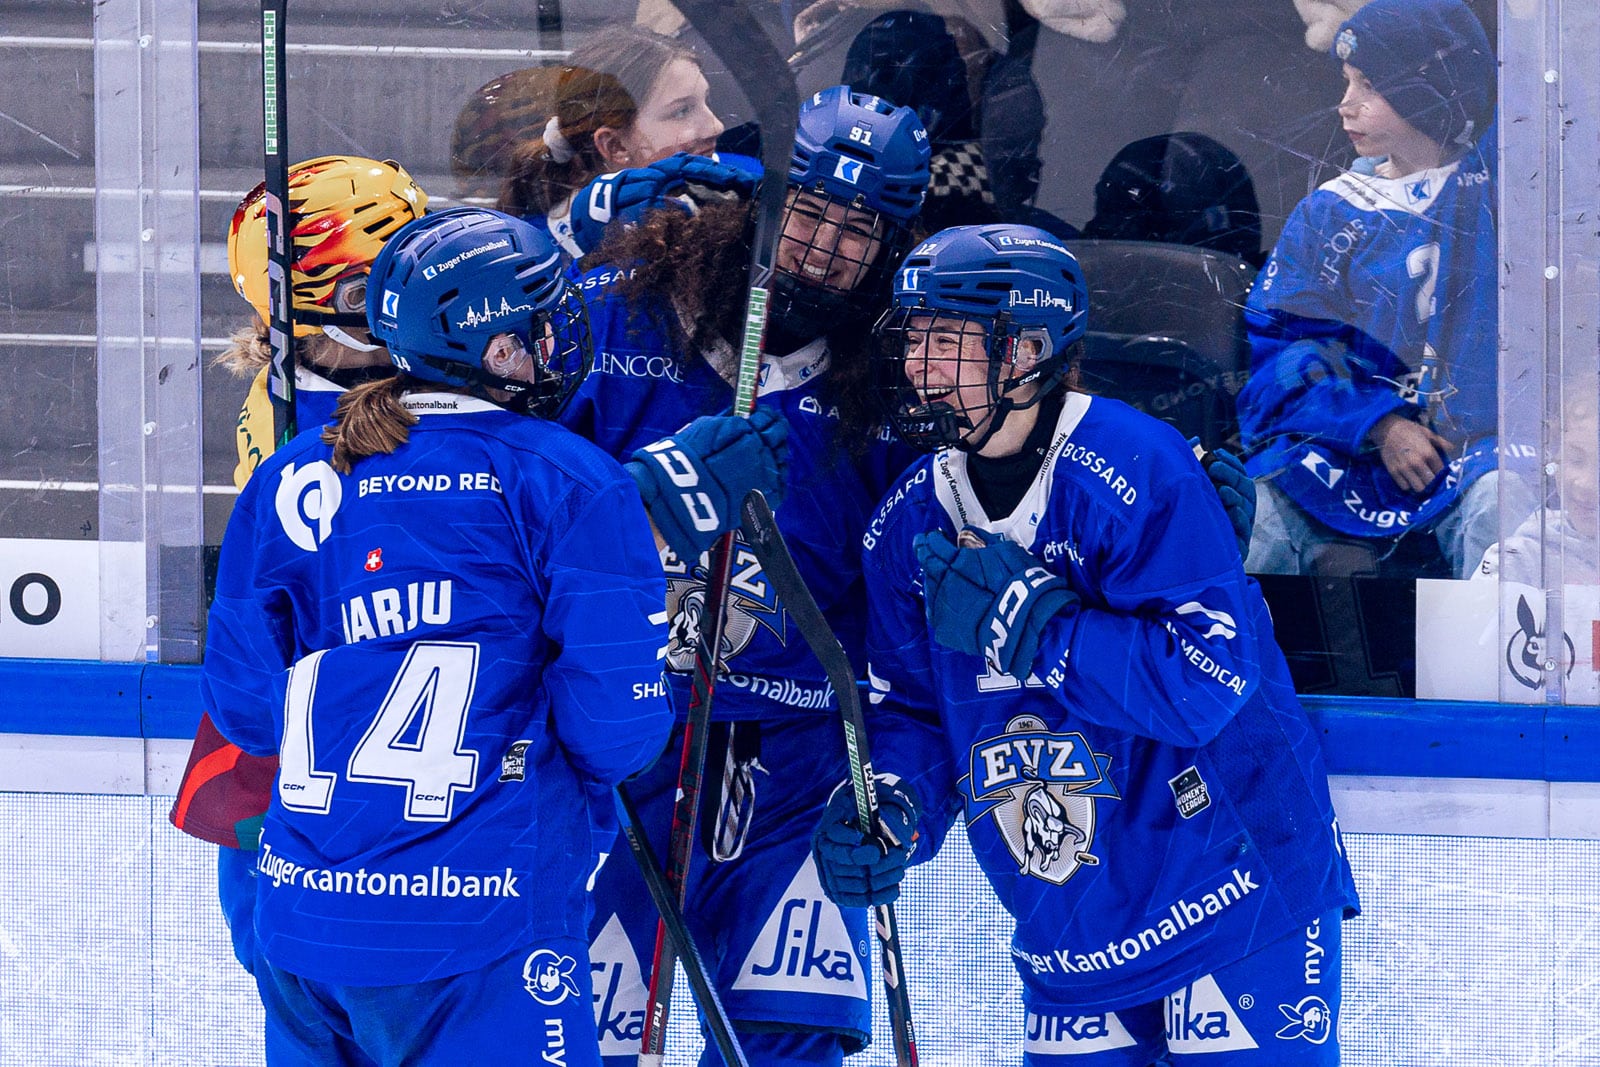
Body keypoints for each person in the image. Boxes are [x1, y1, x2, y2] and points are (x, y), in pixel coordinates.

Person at [813, 223, 1358, 1065]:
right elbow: (916, 715)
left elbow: (1207, 682)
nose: (918, 366)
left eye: (947, 340)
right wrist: (892, 803)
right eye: (914, 338)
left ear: (1026, 350)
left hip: (1235, 886)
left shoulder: (1140, 467)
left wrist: (1037, 626)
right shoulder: (907, 520)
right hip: (1073, 922)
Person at [199, 207, 675, 1065]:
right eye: (544, 322)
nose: (563, 340)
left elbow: (245, 710)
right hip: (484, 929)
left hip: (306, 924)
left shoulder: (291, 472)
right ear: (499, 349)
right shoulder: (567, 477)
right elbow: (618, 732)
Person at [570, 84, 933, 1067]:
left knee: (791, 1043)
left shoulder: (897, 391)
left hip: (794, 761)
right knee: (576, 1036)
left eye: (857, 230)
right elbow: (524, 503)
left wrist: (896, 789)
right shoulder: (624, 307)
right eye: (808, 210)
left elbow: (913, 631)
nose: (822, 247)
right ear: (764, 198)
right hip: (624, 741)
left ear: (892, 247)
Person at [170, 155, 429, 978]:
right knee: (305, 969)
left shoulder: (305, 373)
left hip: (347, 720)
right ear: (320, 303)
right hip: (315, 732)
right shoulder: (319, 420)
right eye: (378, 281)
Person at [1235, 0, 1528, 578]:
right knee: (1255, 515)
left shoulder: (1503, 183)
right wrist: (1379, 424)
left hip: (1475, 450)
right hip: (1352, 445)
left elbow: (1537, 104)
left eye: (1369, 85)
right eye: (1346, 82)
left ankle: (1498, 666)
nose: (1345, 104)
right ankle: (1235, 662)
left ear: (1429, 90)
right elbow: (1285, 349)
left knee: (1504, 513)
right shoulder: (1327, 213)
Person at [497, 26, 724, 259]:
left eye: (706, 101)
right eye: (682, 111)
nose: (716, 126)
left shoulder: (745, 178)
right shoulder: (538, 262)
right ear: (615, 146)